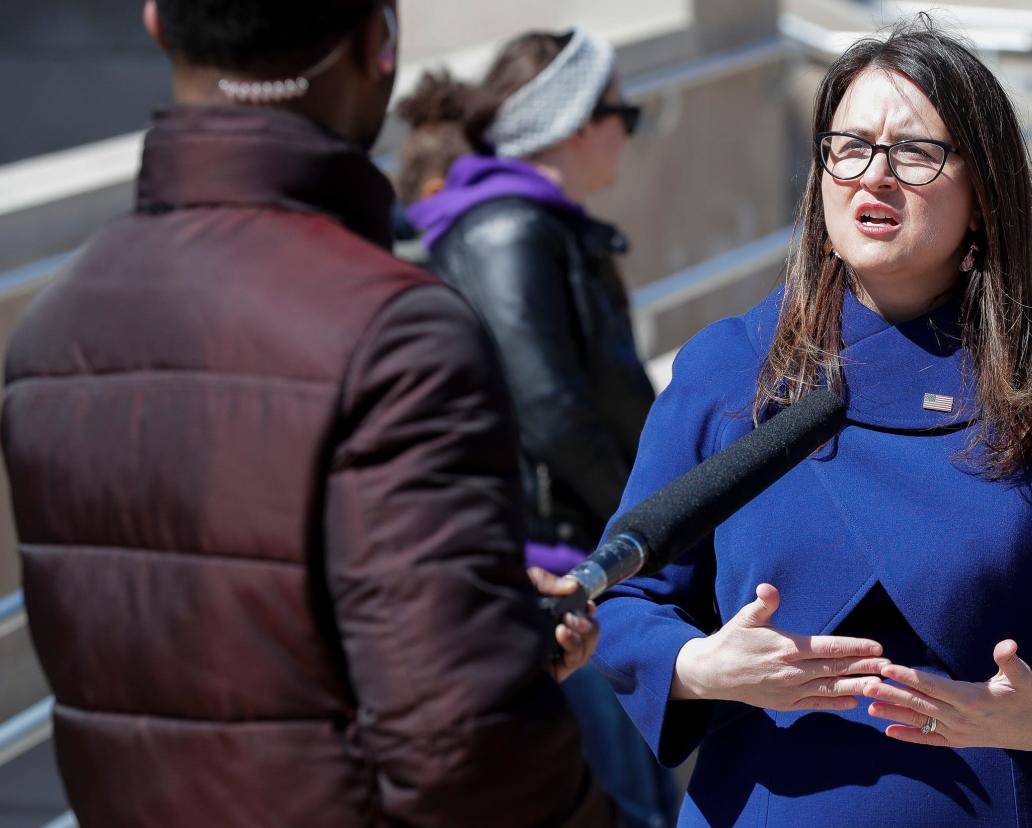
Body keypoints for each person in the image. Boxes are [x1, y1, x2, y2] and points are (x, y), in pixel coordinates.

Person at [0, 2, 613, 826]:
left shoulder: (54, 330)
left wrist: (485, 625)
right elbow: (460, 746)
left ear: (154, 24)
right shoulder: (396, 333)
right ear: (377, 45)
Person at [592, 18, 1032, 827]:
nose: (872, 177)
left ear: (985, 192)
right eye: (848, 146)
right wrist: (700, 665)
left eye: (915, 152)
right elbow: (619, 595)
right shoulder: (728, 368)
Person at [393, 30, 677, 827]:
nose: (629, 126)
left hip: (576, 570)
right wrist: (646, 524)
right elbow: (547, 410)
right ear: (578, 124)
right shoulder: (506, 229)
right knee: (624, 805)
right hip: (553, 577)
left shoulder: (532, 225)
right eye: (623, 110)